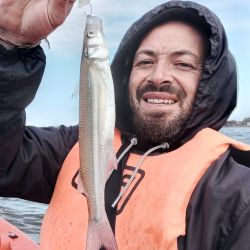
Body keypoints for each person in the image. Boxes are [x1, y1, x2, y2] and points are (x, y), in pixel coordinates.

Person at [1, 0, 250, 249]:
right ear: (125, 75)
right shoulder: (74, 146)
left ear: (209, 80)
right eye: (145, 62)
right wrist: (10, 45)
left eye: (183, 64)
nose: (158, 77)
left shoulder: (238, 193)